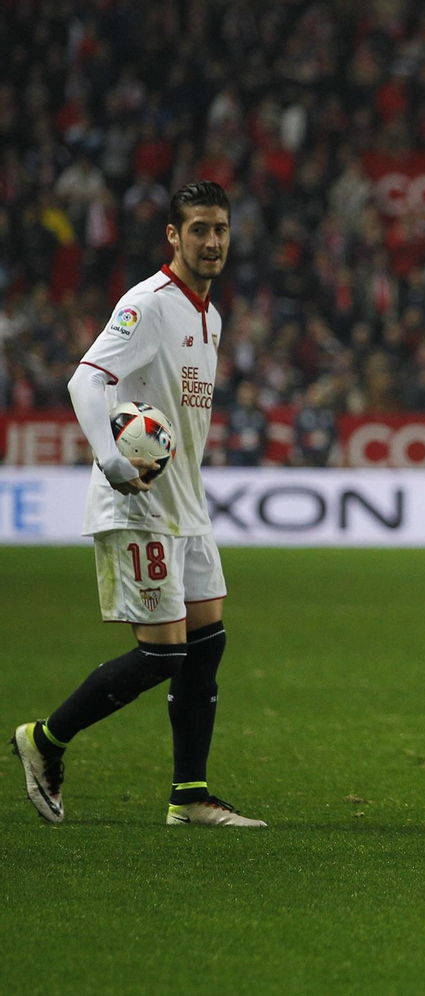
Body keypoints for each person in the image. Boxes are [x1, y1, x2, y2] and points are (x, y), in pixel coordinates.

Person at [10, 181, 264, 827]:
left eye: (220, 229)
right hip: (138, 502)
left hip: (188, 504)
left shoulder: (209, 314)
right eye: (199, 229)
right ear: (173, 237)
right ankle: (45, 740)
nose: (212, 241)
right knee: (162, 652)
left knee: (207, 643)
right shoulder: (147, 305)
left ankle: (190, 796)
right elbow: (85, 379)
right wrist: (111, 457)